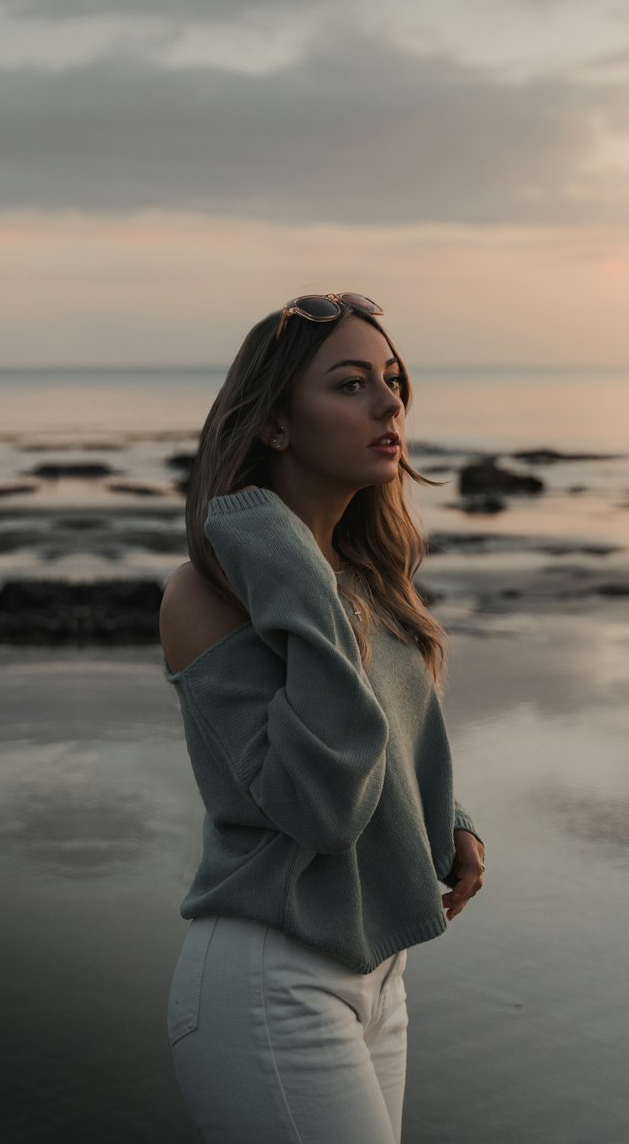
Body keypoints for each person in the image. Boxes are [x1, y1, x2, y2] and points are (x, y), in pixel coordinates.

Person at [159, 291, 486, 1143]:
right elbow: (320, 804)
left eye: (393, 380)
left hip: (381, 977)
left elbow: (383, 736)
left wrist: (448, 819)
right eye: (349, 385)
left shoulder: (371, 581)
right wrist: (286, 557)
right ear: (274, 423)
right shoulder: (212, 591)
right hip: (270, 978)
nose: (389, 405)